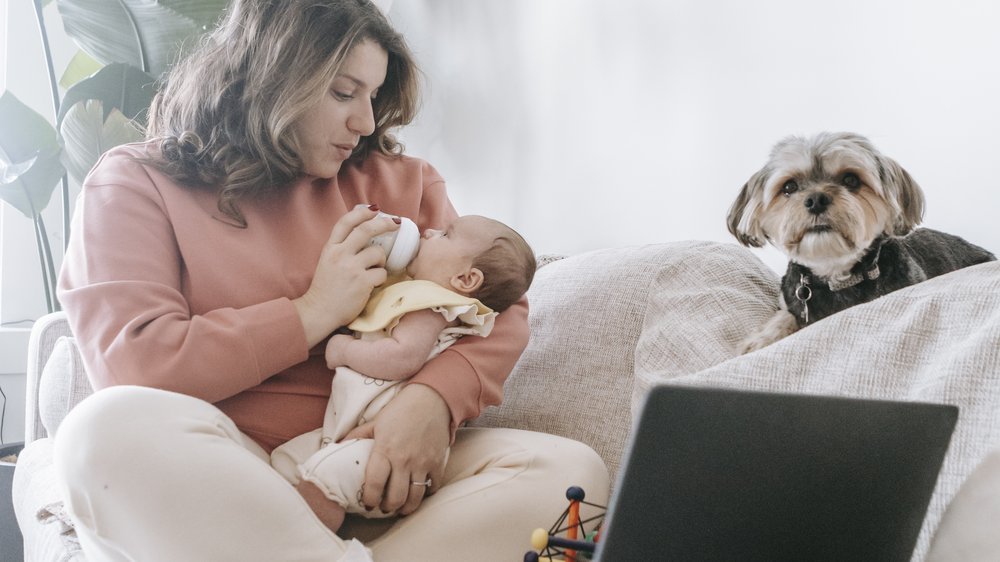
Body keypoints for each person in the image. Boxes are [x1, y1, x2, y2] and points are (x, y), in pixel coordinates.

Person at [52, 1, 609, 561]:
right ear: (272, 78)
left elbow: (498, 304)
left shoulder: (401, 184)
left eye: (372, 97)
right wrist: (312, 312)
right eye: (344, 93)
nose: (365, 122)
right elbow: (134, 362)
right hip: (225, 477)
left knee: (573, 481)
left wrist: (431, 401)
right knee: (100, 433)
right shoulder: (135, 183)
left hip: (375, 466)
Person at [272, 214, 537, 533]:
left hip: (384, 445)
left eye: (445, 235)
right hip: (348, 433)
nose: (429, 230)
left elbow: (402, 358)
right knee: (284, 462)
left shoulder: (430, 308)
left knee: (322, 481)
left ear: (465, 280)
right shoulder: (412, 293)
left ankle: (313, 547)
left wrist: (342, 350)